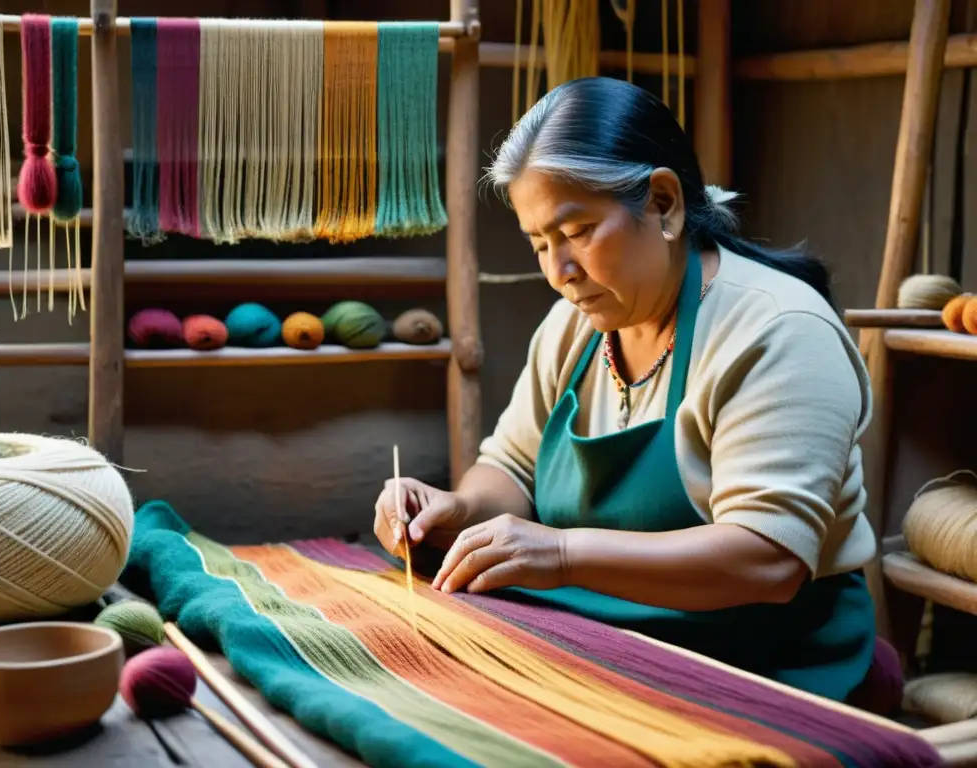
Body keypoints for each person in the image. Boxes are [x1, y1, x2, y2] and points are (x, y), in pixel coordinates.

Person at [373, 76, 878, 702]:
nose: (560, 272)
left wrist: (560, 555)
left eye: (577, 232)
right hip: (605, 631)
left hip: (761, 659)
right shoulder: (576, 324)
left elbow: (767, 558)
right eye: (540, 244)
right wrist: (459, 510)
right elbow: (512, 467)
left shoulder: (778, 330)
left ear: (663, 204)